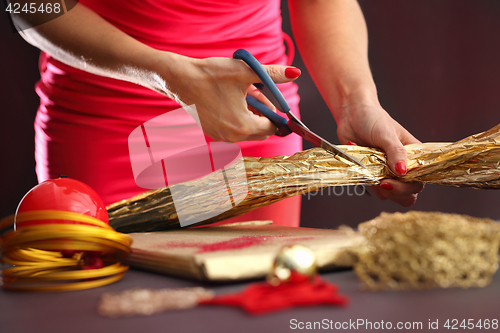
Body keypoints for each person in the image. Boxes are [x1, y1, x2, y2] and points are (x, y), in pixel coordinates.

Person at [11, 0, 423, 227]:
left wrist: (357, 103)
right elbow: (31, 3)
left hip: (255, 125)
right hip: (108, 128)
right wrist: (168, 75)